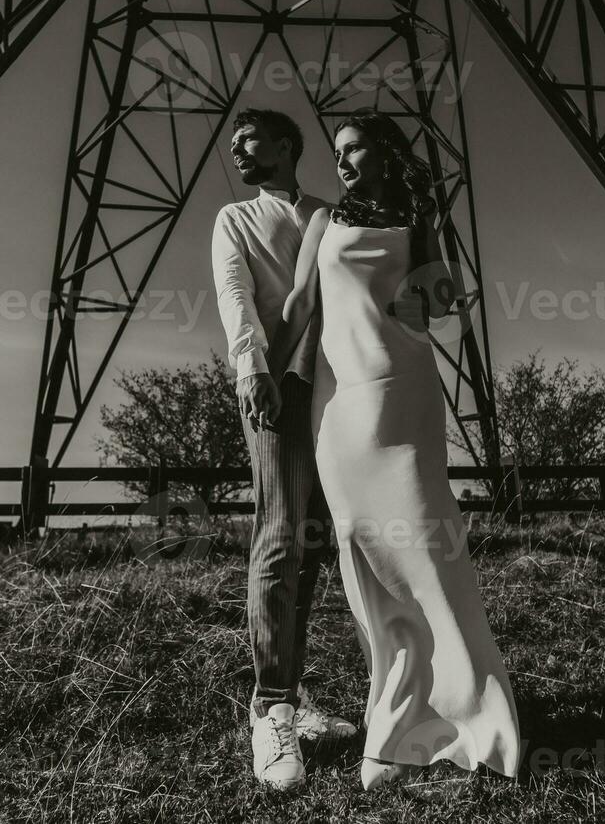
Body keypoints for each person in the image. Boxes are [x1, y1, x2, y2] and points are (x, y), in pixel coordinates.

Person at [264, 109, 522, 790]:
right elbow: (299, 306)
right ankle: (396, 725)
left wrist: (433, 234)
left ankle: (469, 716)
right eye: (338, 151)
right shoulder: (325, 220)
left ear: (387, 155)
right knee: (368, 563)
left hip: (401, 394)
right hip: (338, 404)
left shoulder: (417, 221)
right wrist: (260, 369)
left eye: (354, 149)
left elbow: (438, 307)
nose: (342, 160)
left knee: (426, 553)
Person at [210, 108, 358, 791]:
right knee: (279, 537)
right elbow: (237, 298)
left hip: (345, 392)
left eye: (250, 139)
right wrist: (252, 368)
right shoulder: (234, 220)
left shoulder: (334, 212)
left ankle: (293, 698)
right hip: (276, 385)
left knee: (319, 542)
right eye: (235, 143)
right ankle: (269, 706)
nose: (238, 149)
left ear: (287, 146)